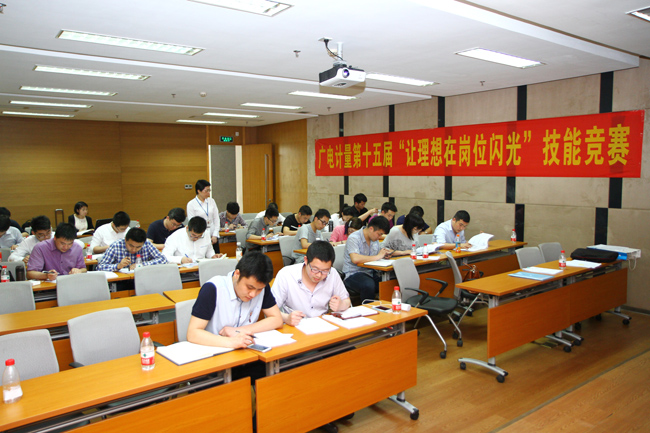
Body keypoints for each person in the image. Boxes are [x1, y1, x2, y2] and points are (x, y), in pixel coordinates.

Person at [186, 251, 282, 349]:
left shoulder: (262, 288)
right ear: (237, 274)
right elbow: (193, 333)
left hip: (246, 348)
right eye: (249, 287)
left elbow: (277, 319)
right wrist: (231, 341)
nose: (253, 294)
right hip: (216, 348)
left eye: (259, 289)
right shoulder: (213, 288)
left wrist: (239, 330)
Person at [272, 241, 351, 326]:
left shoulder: (333, 273)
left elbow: (346, 300)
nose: (319, 275)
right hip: (294, 326)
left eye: (325, 271)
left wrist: (342, 305)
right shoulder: (286, 274)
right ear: (306, 260)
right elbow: (269, 310)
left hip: (322, 325)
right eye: (315, 269)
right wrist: (286, 318)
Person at [342, 216, 391, 303]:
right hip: (353, 274)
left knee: (388, 281)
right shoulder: (354, 238)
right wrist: (378, 256)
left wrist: (384, 255)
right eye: (379, 234)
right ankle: (368, 309)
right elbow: (355, 259)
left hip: (369, 272)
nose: (379, 237)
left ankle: (386, 308)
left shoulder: (374, 239)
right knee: (368, 285)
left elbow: (377, 255)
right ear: (371, 229)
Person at [96, 227, 167, 271]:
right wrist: (118, 266)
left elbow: (163, 259)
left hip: (143, 278)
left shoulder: (147, 244)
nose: (134, 249)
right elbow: (100, 267)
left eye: (138, 247)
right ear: (125, 240)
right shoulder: (116, 246)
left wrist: (142, 265)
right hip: (121, 281)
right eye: (131, 245)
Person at [187, 179, 220, 253]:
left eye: (209, 190)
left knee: (215, 255)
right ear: (199, 191)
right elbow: (192, 223)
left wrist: (215, 234)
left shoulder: (211, 201)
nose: (208, 193)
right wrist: (202, 235)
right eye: (206, 191)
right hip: (200, 237)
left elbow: (216, 218)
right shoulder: (191, 204)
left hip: (213, 236)